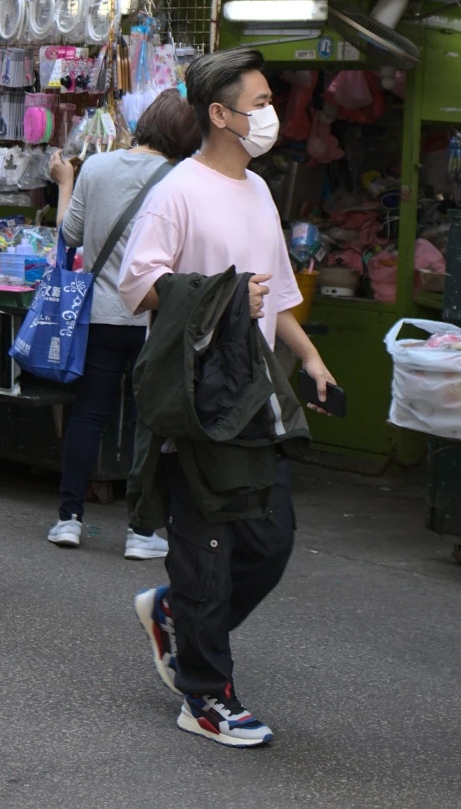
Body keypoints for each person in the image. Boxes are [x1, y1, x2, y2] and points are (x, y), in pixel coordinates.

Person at [117, 48, 338, 749]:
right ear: (219, 113)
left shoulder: (258, 190)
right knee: (206, 544)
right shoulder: (176, 189)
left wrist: (311, 358)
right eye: (262, 100)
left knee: (271, 542)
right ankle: (206, 694)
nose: (271, 113)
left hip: (256, 391)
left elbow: (277, 293)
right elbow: (136, 283)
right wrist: (217, 297)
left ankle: (177, 615)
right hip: (197, 392)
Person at [47, 91, 202, 558]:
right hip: (154, 319)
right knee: (146, 424)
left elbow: (69, 234)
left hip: (99, 314)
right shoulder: (182, 180)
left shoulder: (96, 168)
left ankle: (68, 520)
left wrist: (63, 182)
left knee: (89, 415)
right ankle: (140, 531)